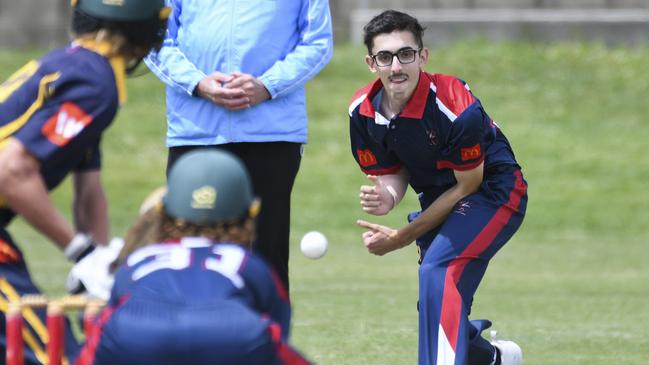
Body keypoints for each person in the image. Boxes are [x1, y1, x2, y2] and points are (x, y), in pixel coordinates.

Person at [348, 10, 528, 365]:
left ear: (423, 56)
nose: (396, 66)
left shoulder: (455, 104)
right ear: (371, 63)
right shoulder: (363, 112)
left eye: (406, 54)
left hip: (494, 191)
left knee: (439, 273)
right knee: (435, 299)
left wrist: (400, 237)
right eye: (385, 57)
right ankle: (491, 358)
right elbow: (394, 170)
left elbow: (467, 186)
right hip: (441, 198)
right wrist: (388, 195)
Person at [0, 0, 168, 363]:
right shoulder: (94, 81)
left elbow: (88, 193)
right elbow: (11, 171)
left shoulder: (76, 65)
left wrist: (102, 268)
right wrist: (82, 253)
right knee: (55, 353)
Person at [144, 0, 334, 292]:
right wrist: (198, 82)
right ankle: (193, 334)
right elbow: (153, 38)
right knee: (190, 250)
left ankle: (268, 335)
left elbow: (317, 43)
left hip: (272, 133)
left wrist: (267, 85)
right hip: (195, 132)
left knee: (266, 253)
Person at [75, 150, 311, 365]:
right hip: (233, 334)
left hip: (135, 333)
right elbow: (279, 326)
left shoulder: (139, 260)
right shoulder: (250, 264)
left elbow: (115, 304)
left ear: (164, 214)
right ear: (248, 214)